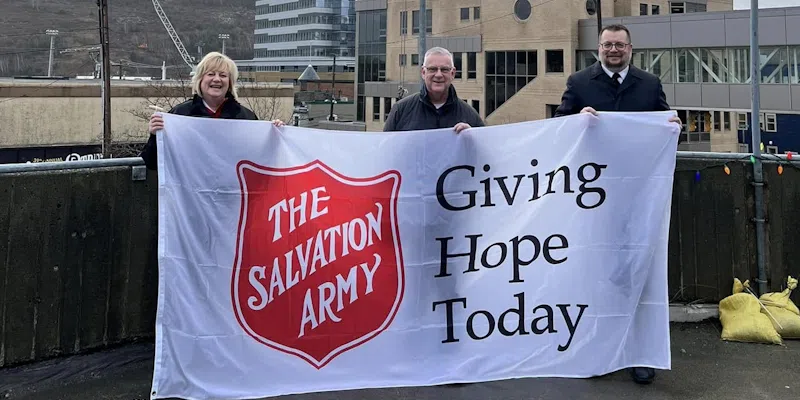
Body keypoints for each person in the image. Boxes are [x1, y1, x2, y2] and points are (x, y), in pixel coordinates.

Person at [554, 24, 680, 385]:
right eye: (607, 44)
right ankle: (596, 350)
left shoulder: (650, 84)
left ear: (630, 48)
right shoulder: (579, 83)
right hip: (593, 199)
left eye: (619, 45)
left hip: (641, 199)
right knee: (595, 274)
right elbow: (559, 128)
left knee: (640, 274)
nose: (613, 50)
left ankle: (639, 352)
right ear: (599, 47)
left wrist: (672, 125)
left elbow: (663, 122)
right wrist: (577, 121)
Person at [139, 51, 284, 170]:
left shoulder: (245, 117)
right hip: (192, 200)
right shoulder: (181, 114)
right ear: (200, 80)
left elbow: (263, 161)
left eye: (223, 75)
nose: (217, 79)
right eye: (210, 74)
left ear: (230, 83)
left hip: (232, 199)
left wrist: (275, 136)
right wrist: (154, 135)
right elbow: (152, 163)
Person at [383, 46, 484, 133]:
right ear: (423, 72)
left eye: (444, 69)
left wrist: (473, 137)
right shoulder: (401, 110)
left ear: (452, 73)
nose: (439, 75)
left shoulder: (470, 115)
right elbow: (384, 149)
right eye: (432, 69)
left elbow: (485, 151)